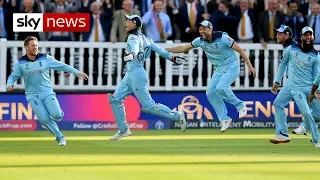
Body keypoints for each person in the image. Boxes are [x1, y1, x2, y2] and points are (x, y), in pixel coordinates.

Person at [165, 20, 256, 133]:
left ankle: (240, 105)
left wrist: (250, 66)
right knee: (210, 92)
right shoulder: (199, 41)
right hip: (218, 69)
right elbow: (183, 48)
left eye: (204, 29)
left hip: (232, 67)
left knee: (221, 88)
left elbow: (240, 50)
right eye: (200, 29)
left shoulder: (223, 38)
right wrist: (163, 50)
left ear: (210, 29)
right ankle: (225, 119)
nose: (201, 31)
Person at [108, 15, 187, 140]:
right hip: (132, 73)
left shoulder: (132, 37)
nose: (125, 23)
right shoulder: (147, 38)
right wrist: (172, 58)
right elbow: (160, 50)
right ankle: (123, 130)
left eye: (128, 21)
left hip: (137, 74)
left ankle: (177, 116)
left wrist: (131, 54)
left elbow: (135, 47)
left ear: (134, 24)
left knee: (148, 107)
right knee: (115, 99)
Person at [6, 36, 88, 146]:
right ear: (26, 47)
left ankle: (55, 115)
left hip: (47, 92)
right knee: (44, 119)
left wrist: (76, 72)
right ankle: (60, 137)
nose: (35, 47)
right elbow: (13, 76)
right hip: (32, 95)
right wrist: (9, 84)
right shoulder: (20, 63)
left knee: (57, 115)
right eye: (32, 45)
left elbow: (61, 66)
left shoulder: (45, 58)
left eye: (36, 45)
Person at [269, 26, 320, 147]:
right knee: (279, 103)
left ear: (313, 37)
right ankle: (283, 134)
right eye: (306, 35)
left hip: (307, 87)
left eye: (310, 35)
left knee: (314, 114)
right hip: (292, 85)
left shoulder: (315, 56)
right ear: (301, 37)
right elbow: (283, 64)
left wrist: (317, 90)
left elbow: (317, 75)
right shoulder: (291, 49)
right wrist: (277, 82)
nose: (308, 37)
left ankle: (305, 126)